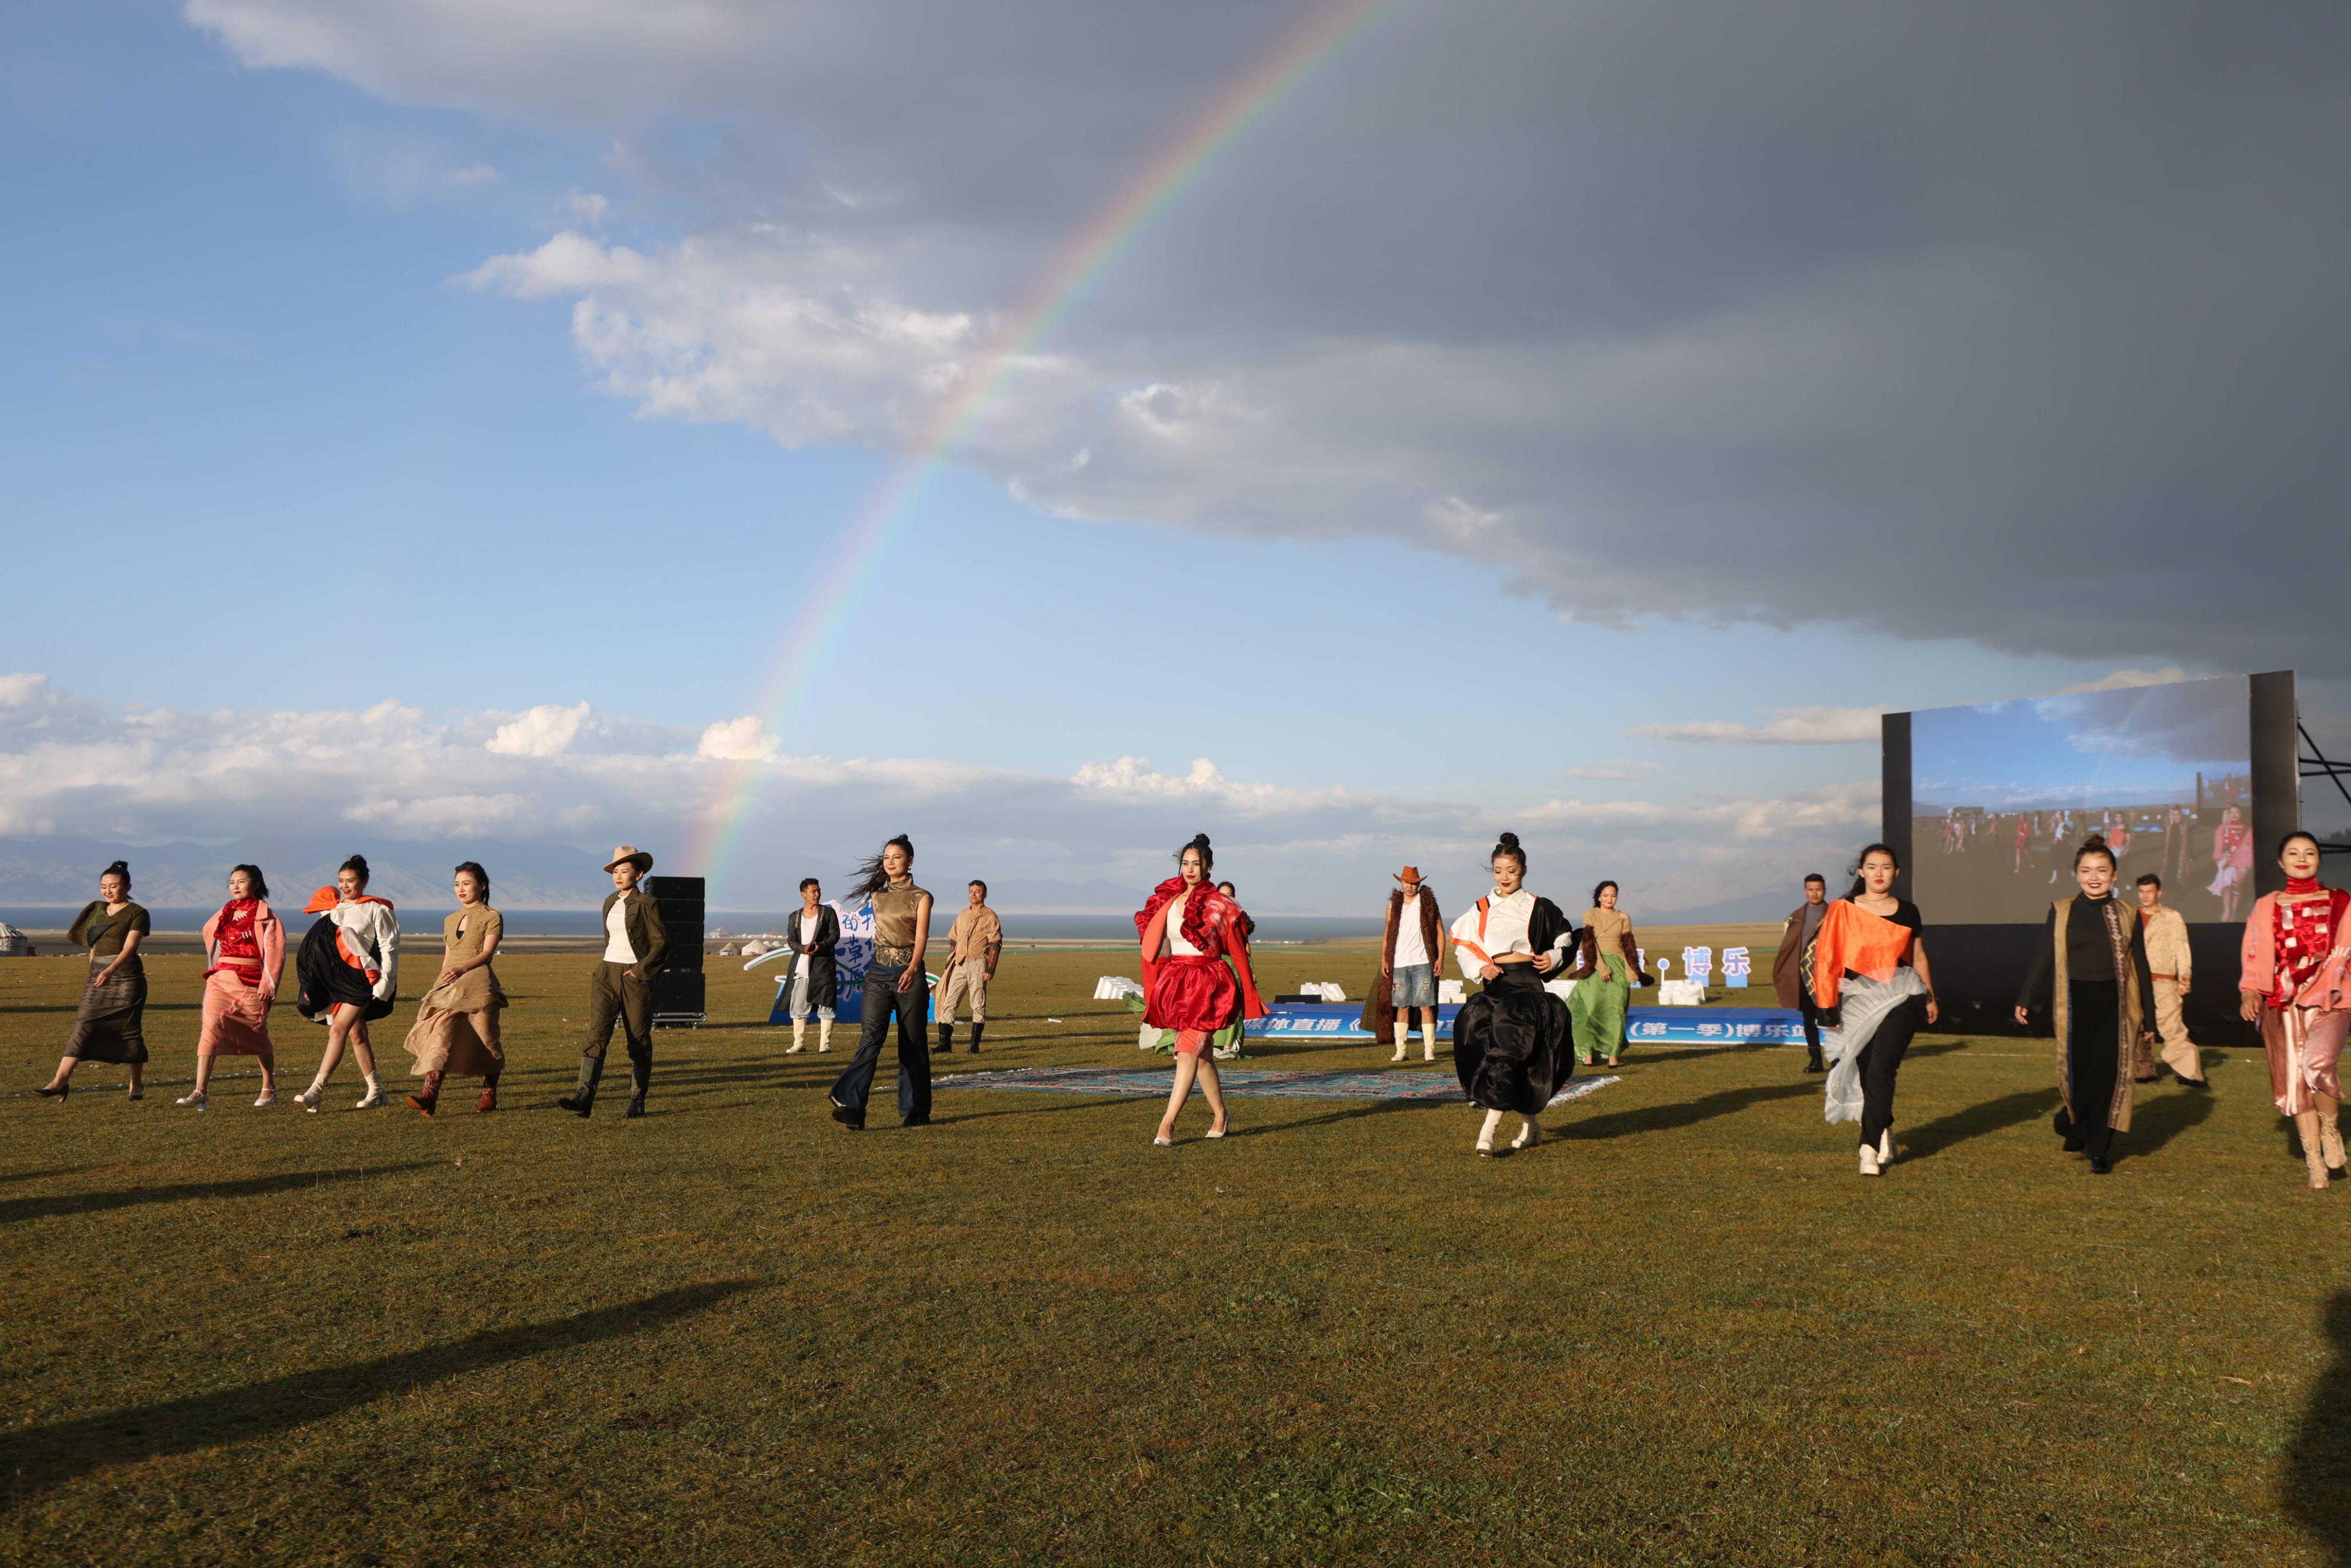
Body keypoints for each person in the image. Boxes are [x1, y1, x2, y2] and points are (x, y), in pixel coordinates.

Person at [2016, 834, 2158, 1176]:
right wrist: (2026, 997)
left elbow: (2141, 964)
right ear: (2076, 874)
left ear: (2115, 875)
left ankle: (2100, 1149)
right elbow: (2044, 957)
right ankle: (2072, 1122)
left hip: (2117, 1006)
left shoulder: (2127, 913)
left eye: (2102, 870)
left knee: (2108, 1077)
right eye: (2086, 870)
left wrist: (2151, 1016)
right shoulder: (2062, 910)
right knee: (2079, 1076)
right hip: (2074, 1005)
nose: (2094, 877)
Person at [1810, 844, 1938, 1176]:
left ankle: (1867, 1148)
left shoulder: (1909, 911)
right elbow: (1827, 957)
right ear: (1861, 871)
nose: (1879, 873)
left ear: (1897, 872)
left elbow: (1918, 956)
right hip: (1857, 1000)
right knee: (1867, 1074)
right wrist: (1826, 1004)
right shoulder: (1843, 909)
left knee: (1882, 1069)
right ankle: (1884, 1131)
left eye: (1886, 867)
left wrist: (1931, 995)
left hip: (1901, 994)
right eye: (1872, 866)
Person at [1448, 831, 1576, 1158]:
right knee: (1478, 1038)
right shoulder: (1479, 908)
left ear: (1524, 871)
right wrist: (1480, 968)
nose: (1505, 877)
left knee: (1506, 1051)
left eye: (1512, 871)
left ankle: (1487, 1132)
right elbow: (1464, 948)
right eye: (1499, 871)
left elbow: (1565, 938)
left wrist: (1553, 957)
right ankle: (1531, 1126)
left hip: (1527, 987)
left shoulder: (1539, 906)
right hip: (1494, 987)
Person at [2237, 831, 2351, 1190]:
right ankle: (2314, 1162)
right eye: (2294, 852)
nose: (2302, 858)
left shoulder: (2340, 901)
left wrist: (2331, 978)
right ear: (2281, 862)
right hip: (2283, 1004)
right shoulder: (2267, 905)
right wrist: (2250, 992)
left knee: (2317, 1064)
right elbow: (2254, 954)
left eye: (2310, 852)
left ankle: (2330, 1131)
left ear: (2319, 860)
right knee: (2295, 1082)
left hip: (2332, 999)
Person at [1136, 834, 1266, 1145]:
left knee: (1185, 1051)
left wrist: (1248, 989)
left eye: (1197, 863)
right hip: (1178, 981)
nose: (1190, 869)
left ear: (1209, 867)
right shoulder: (1166, 901)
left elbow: (1236, 949)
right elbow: (1156, 947)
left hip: (1208, 984)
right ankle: (1221, 1116)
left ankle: (1167, 1124)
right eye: (1185, 863)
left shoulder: (1220, 904)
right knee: (1203, 1056)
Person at [829, 835, 934, 1129]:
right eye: (886, 857)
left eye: (897, 857)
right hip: (877, 972)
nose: (890, 862)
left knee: (912, 1042)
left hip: (909, 972)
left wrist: (913, 968)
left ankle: (916, 1111)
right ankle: (852, 1106)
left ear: (910, 861)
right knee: (870, 1037)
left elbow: (922, 936)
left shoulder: (922, 896)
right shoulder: (876, 896)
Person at [559, 846, 668, 1120]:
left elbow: (662, 942)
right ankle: (584, 1097)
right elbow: (612, 939)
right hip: (606, 974)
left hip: (634, 977)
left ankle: (637, 1099)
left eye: (625, 871)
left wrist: (640, 970)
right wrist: (606, 967)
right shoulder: (609, 901)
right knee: (596, 1035)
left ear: (639, 874)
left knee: (638, 1040)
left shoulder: (648, 904)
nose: (618, 876)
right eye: (615, 872)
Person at [36, 861, 153, 1102]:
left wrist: (110, 970)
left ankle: (136, 1084)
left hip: (127, 978)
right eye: (103, 886)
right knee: (83, 1025)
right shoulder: (96, 910)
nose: (108, 891)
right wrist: (95, 969)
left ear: (128, 886)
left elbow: (130, 948)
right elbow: (93, 946)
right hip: (98, 976)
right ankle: (60, 1082)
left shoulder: (137, 913)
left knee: (129, 1031)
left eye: (114, 886)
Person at [292, 855, 399, 1112]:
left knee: (338, 1029)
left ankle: (316, 1090)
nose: (345, 886)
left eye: (350, 881)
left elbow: (389, 948)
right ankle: (376, 1090)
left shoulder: (377, 909)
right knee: (357, 1034)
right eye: (341, 881)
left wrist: (385, 984)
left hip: (363, 980)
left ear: (364, 881)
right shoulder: (335, 909)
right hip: (338, 981)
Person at [399, 862, 506, 1116]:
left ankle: (489, 1094)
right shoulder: (450, 920)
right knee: (440, 1036)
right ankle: (429, 1097)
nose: (461, 889)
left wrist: (462, 969)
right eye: (457, 884)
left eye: (466, 883)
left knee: (488, 1041)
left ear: (482, 886)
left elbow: (488, 954)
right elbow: (448, 958)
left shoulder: (492, 916)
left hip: (480, 987)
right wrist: (439, 985)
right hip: (450, 989)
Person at [1568, 879, 1652, 1069]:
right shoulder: (1591, 915)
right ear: (1599, 896)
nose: (1610, 899)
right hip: (1595, 968)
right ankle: (1588, 1054)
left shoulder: (1624, 917)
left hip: (1619, 968)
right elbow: (1589, 943)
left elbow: (1627, 947)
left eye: (1613, 895)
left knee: (1615, 1012)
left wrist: (1632, 972)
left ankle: (1613, 1056)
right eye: (1606, 895)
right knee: (1586, 1010)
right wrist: (1602, 968)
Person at [2135, 873, 2207, 1088]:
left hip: (2163, 980)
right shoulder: (2131, 915)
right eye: (2142, 891)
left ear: (2159, 892)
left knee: (2172, 1027)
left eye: (2149, 891)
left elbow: (2182, 948)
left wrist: (2184, 981)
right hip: (2135, 979)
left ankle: (2189, 1073)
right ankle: (2143, 1070)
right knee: (2137, 1026)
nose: (2145, 896)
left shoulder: (2171, 916)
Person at [1369, 866, 1444, 1063]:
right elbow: (1388, 934)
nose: (1410, 886)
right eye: (1406, 882)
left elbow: (1440, 930)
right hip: (1400, 963)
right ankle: (1401, 1050)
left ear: (1418, 884)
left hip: (1422, 962)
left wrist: (1440, 958)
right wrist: (1385, 958)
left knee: (1426, 1006)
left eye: (1413, 883)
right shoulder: (1393, 906)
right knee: (1402, 1006)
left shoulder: (1427, 903)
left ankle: (1429, 1050)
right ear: (1401, 883)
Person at [1771, 874, 1833, 1073]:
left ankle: (1838, 1059)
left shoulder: (1835, 915)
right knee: (1809, 1020)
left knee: (1833, 1020)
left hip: (1829, 978)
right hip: (1805, 978)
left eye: (1819, 889)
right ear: (1805, 891)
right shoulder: (1795, 918)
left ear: (1825, 891)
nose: (1815, 893)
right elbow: (1789, 949)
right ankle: (1816, 1060)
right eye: (1811, 889)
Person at [934, 879, 1002, 1055]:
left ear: (985, 895)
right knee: (948, 1002)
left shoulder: (990, 916)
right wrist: (950, 960)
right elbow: (954, 939)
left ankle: (974, 1045)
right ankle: (945, 1044)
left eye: (977, 892)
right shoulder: (962, 914)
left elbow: (995, 942)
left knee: (977, 1003)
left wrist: (991, 968)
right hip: (959, 963)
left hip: (978, 964)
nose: (973, 894)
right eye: (971, 891)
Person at [782, 877, 840, 1055]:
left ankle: (825, 1044)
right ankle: (799, 1043)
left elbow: (835, 935)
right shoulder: (795, 916)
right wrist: (803, 948)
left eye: (819, 890)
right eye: (813, 891)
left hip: (823, 966)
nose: (817, 894)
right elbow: (791, 940)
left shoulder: (828, 914)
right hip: (801, 967)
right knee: (799, 1005)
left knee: (827, 1004)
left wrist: (820, 946)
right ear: (803, 894)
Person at [2210, 803, 2254, 923]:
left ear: (2241, 814)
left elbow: (2250, 848)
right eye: (2232, 813)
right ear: (2228, 814)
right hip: (2226, 862)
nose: (2234, 815)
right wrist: (2218, 860)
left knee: (2236, 888)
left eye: (2237, 812)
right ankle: (2227, 910)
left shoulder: (2248, 830)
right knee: (2226, 887)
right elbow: (2218, 847)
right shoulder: (2222, 829)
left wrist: (2248, 863)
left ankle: (2234, 911)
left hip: (2241, 863)